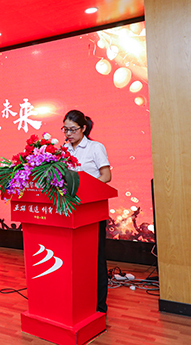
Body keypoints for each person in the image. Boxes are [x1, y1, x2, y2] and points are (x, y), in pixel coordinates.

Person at [62, 109, 111, 313]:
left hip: (91, 210)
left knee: (95, 258)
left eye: (72, 129)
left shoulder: (95, 147)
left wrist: (87, 191)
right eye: (65, 129)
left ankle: (99, 306)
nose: (68, 134)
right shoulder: (63, 151)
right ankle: (77, 301)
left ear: (83, 128)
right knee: (73, 258)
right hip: (70, 212)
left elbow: (106, 176)